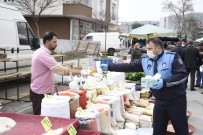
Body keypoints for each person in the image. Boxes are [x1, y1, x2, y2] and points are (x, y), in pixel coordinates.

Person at [100, 38, 189, 135]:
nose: (148, 51)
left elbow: (182, 75)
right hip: (160, 101)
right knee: (158, 130)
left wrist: (164, 82)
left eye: (150, 48)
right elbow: (130, 66)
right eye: (147, 48)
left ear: (158, 48)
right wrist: (110, 67)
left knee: (181, 130)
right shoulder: (145, 60)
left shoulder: (172, 57)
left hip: (176, 101)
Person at [30, 32, 91, 115]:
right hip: (40, 92)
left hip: (42, 89)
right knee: (40, 117)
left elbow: (57, 67)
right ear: (47, 42)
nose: (56, 44)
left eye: (56, 42)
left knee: (46, 115)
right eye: (54, 42)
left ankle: (46, 127)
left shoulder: (42, 52)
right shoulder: (43, 55)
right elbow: (62, 71)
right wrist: (82, 72)